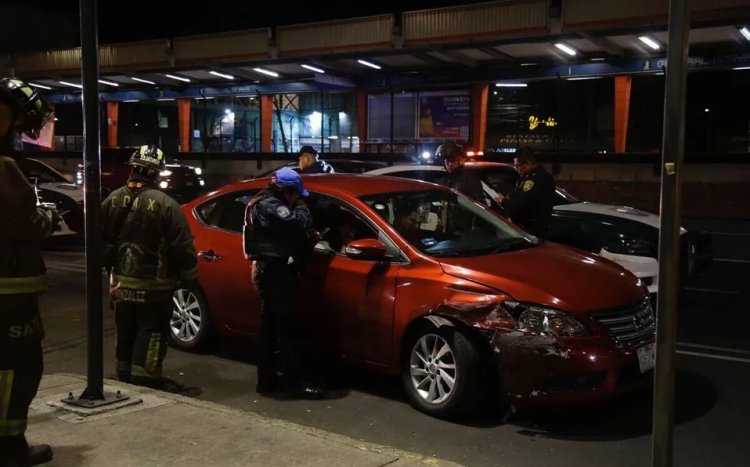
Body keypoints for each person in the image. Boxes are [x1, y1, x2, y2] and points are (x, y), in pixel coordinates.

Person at [101, 145, 199, 393]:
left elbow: (99, 241)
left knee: (125, 331)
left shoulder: (111, 199)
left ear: (132, 168)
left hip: (120, 285)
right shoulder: (167, 205)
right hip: (154, 286)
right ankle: (146, 382)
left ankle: (123, 377)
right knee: (151, 331)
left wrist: (108, 273)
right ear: (155, 174)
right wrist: (189, 278)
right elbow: (183, 246)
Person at [0, 77, 58, 466]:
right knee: (20, 364)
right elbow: (23, 223)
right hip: (8, 287)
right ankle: (9, 446)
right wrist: (48, 217)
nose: (21, 134)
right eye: (21, 125)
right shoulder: (3, 167)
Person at [243, 167, 323, 399]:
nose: (298, 199)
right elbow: (297, 224)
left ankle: (268, 382)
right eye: (296, 195)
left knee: (271, 328)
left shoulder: (264, 201)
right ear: (286, 191)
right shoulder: (269, 205)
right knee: (287, 330)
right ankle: (292, 384)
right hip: (274, 273)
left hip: (271, 271)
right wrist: (301, 209)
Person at [495, 147, 555, 238]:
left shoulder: (535, 179)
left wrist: (503, 201)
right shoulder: (530, 177)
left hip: (532, 230)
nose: (516, 169)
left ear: (528, 163)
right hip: (530, 228)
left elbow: (523, 203)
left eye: (517, 166)